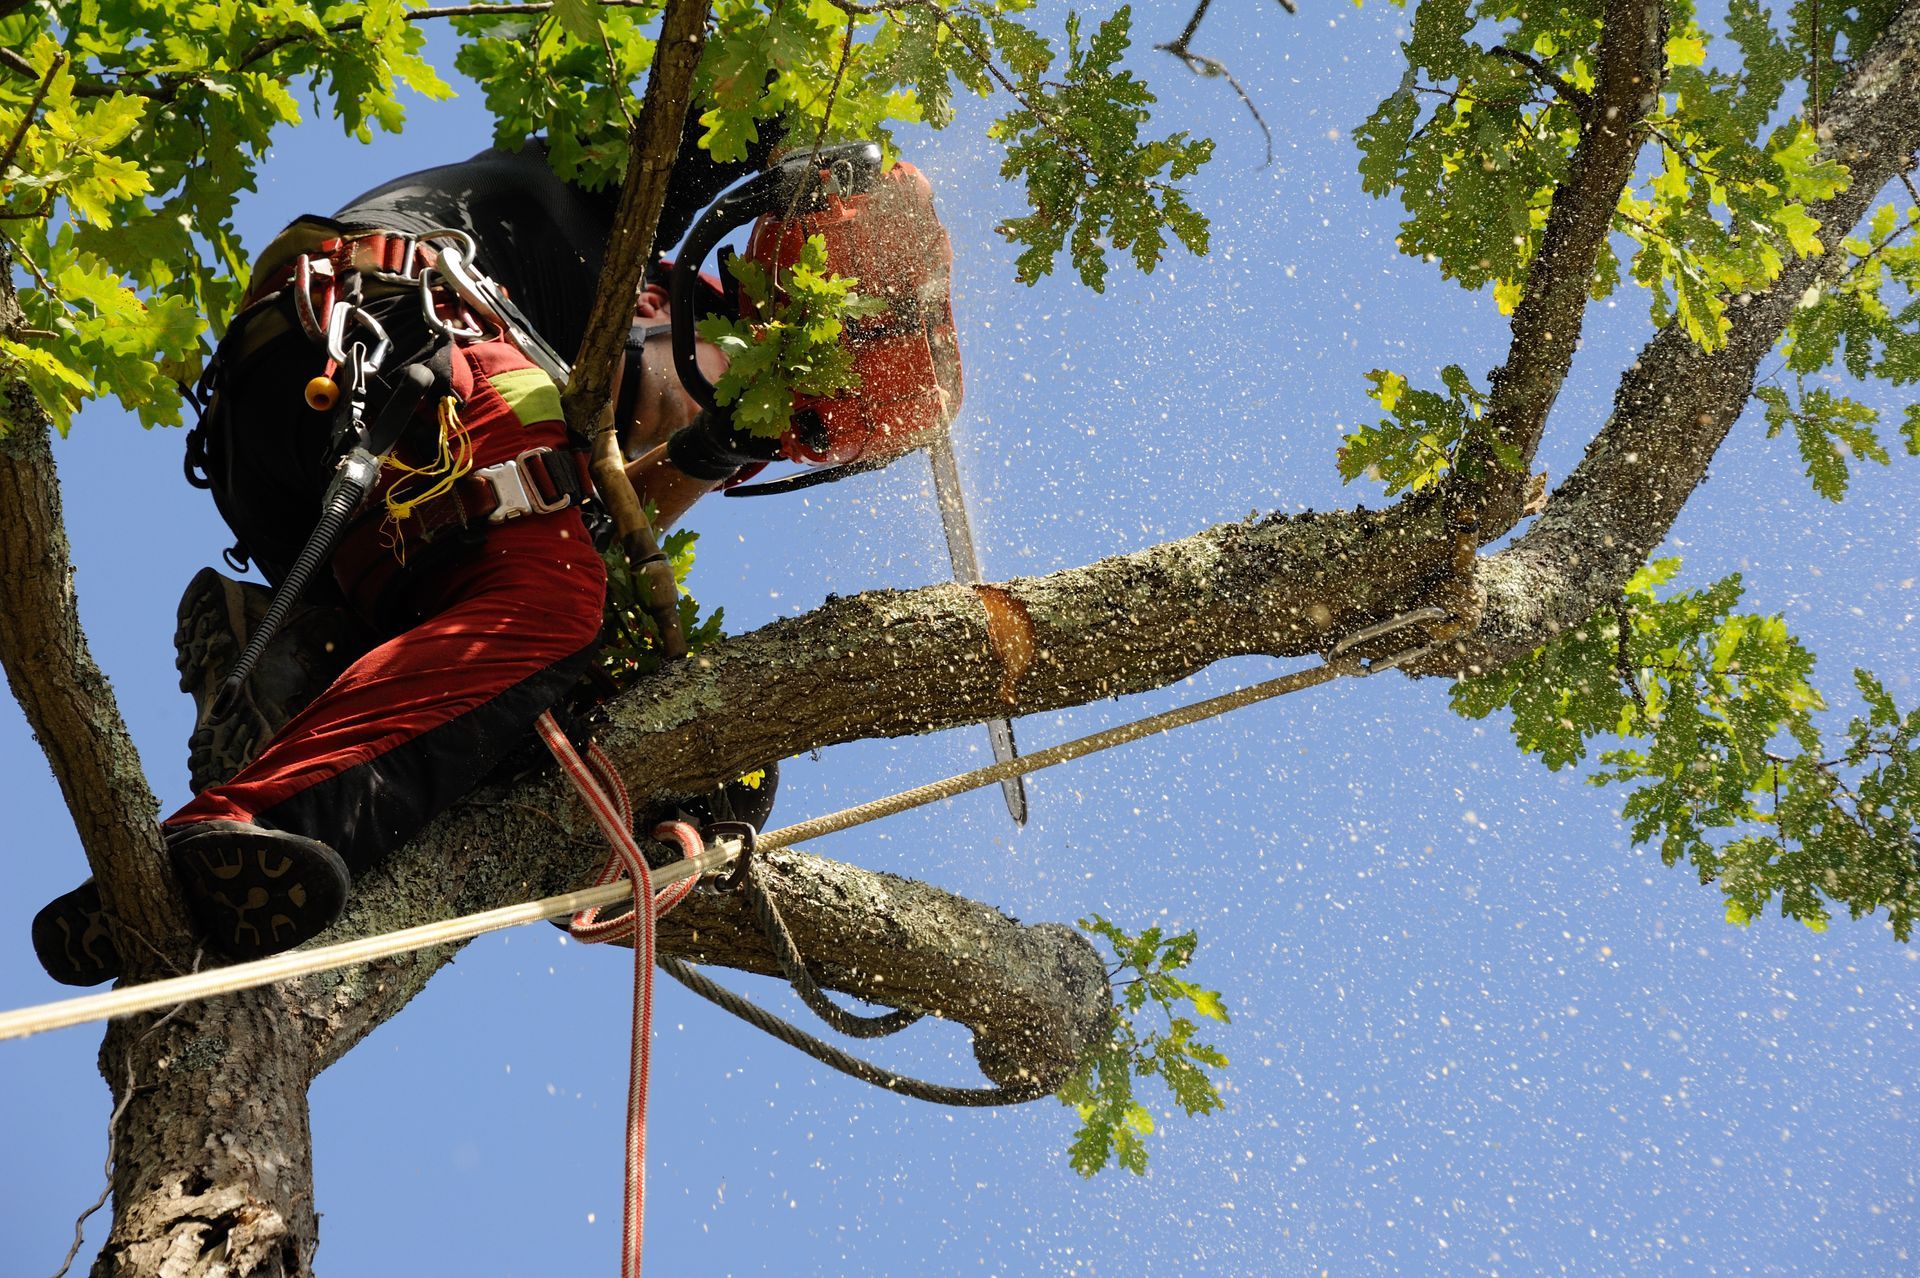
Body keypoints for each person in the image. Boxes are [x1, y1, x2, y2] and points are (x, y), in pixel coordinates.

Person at [30, 132, 777, 986]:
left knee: (531, 677)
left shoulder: (574, 307)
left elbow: (601, 486)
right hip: (394, 340)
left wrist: (716, 451)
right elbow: (746, 114)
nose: (677, 436)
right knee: (556, 598)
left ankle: (308, 663)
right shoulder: (618, 184)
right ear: (661, 305)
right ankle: (252, 817)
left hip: (310, 450)